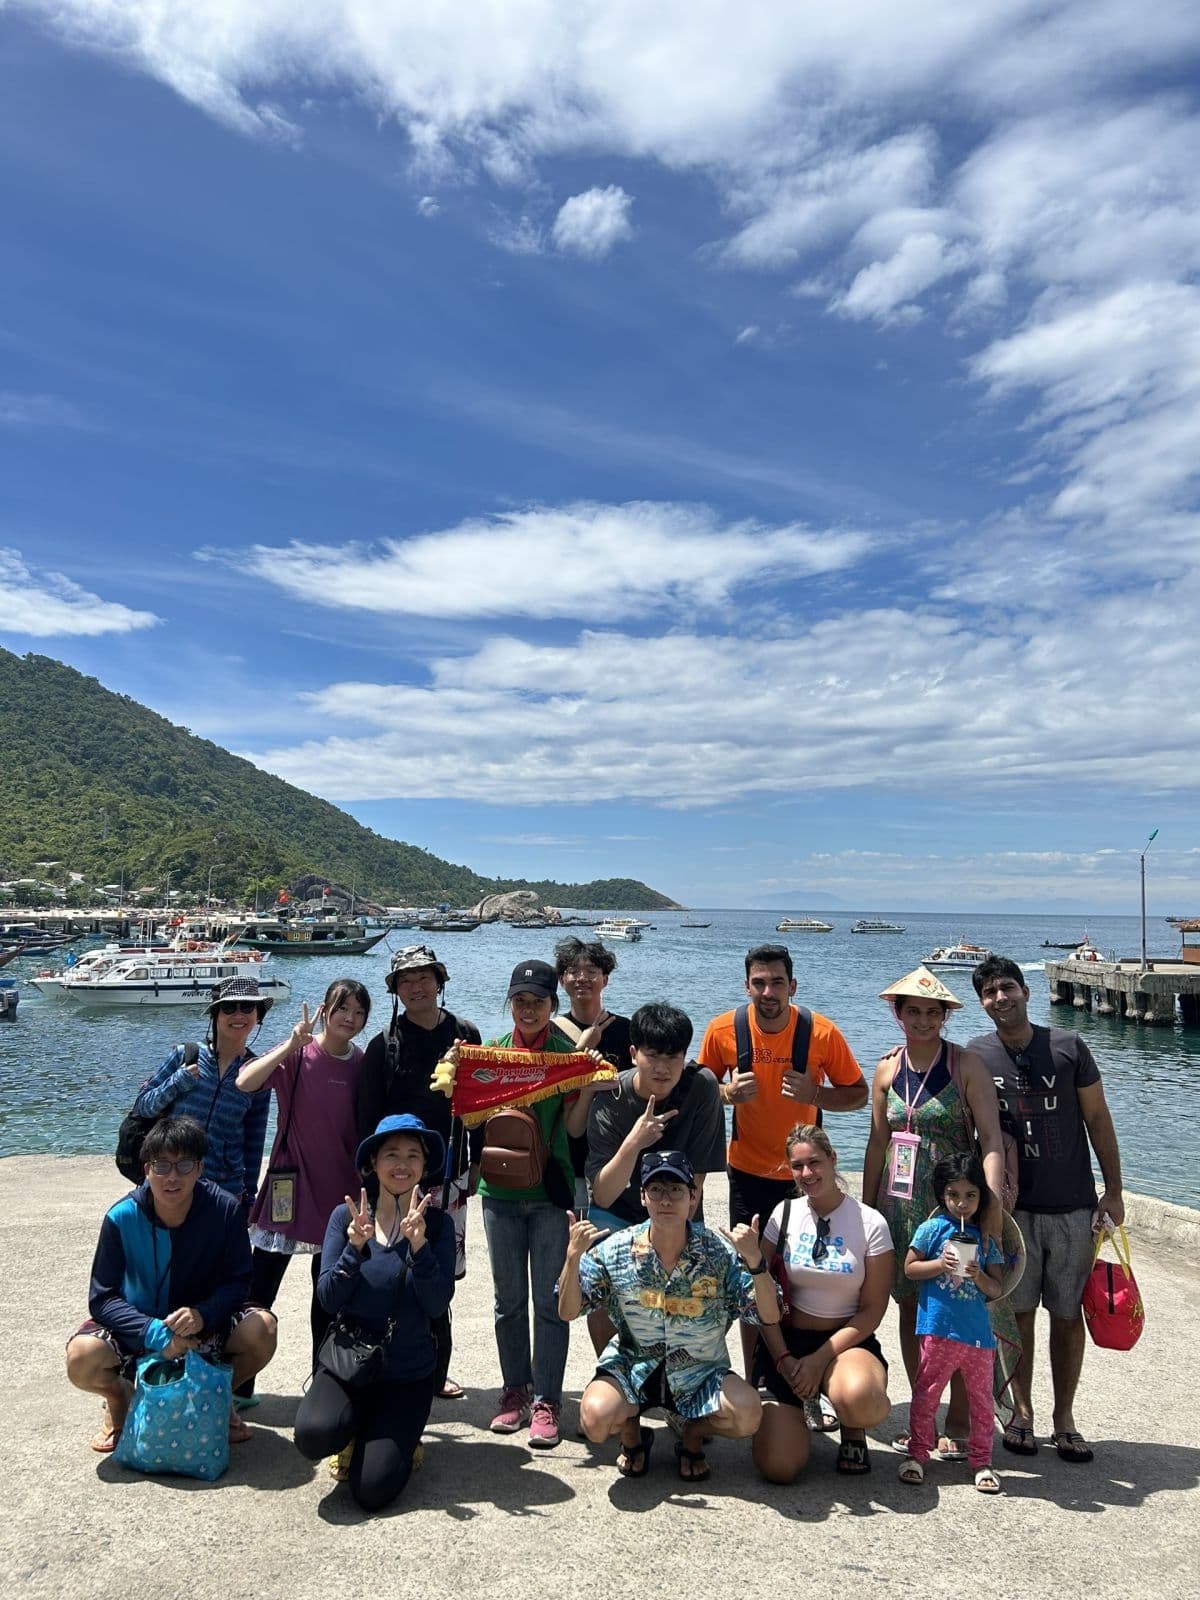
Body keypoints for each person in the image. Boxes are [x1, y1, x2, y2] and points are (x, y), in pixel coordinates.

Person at [969, 956, 1124, 1465]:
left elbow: (1098, 1119)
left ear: (1026, 992)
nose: (1000, 998)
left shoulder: (1068, 1047)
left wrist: (1114, 1191)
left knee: (1066, 1313)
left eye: (1008, 988)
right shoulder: (976, 1055)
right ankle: (1023, 1412)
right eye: (989, 992)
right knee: (1017, 1316)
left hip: (1072, 1205)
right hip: (1012, 1213)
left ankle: (1065, 1419)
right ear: (981, 1002)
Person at [698, 943, 866, 1388]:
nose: (767, 991)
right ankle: (758, 1377)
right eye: (759, 982)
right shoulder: (723, 1030)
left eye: (776, 982)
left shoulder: (822, 1033)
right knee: (751, 1275)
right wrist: (726, 1094)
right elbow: (698, 1088)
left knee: (808, 1279)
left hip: (805, 1178)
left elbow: (859, 1095)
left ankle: (815, 1376)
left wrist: (817, 1095)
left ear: (792, 986)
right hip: (748, 1173)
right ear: (746, 985)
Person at [860, 965, 1009, 1459]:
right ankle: (925, 1410)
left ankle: (962, 1417)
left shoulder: (965, 1065)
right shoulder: (886, 1069)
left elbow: (989, 1139)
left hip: (956, 1208)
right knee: (912, 1307)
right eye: (913, 1011)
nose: (922, 1020)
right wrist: (866, 1211)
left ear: (944, 1016)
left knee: (966, 1308)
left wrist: (989, 1207)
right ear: (897, 1013)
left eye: (932, 1012)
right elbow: (879, 1142)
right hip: (901, 1208)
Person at [559, 1151, 777, 1483]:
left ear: (693, 1197)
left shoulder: (717, 1253)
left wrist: (756, 1264)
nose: (666, 1199)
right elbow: (568, 1310)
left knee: (747, 1414)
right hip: (634, 1367)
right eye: (656, 1189)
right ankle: (632, 1430)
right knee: (594, 1419)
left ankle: (692, 1431)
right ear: (643, 1196)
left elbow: (769, 1314)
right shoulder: (616, 1248)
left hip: (700, 1369)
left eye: (676, 1189)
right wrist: (572, 1260)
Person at [66, 1116, 278, 1453]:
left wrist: (203, 1314)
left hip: (203, 1328)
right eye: (162, 1165)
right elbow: (102, 1298)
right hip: (140, 1327)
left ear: (200, 1168)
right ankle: (120, 1397)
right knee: (81, 1357)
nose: (172, 1177)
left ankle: (216, 1395)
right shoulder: (120, 1218)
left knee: (262, 1330)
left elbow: (240, 1281)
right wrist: (155, 1333)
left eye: (184, 1165)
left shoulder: (224, 1210)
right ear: (146, 1169)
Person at [468, 958, 600, 1449]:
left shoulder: (567, 1055)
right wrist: (457, 1078)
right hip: (497, 1193)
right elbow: (470, 1122)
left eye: (538, 1002)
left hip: (550, 1193)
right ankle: (514, 1391)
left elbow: (573, 1130)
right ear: (510, 1004)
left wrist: (582, 1085)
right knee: (507, 1303)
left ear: (553, 1005)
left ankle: (547, 1400)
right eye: (520, 1002)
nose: (528, 1010)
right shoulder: (492, 1054)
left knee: (549, 1302)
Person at [293, 1114, 456, 1512]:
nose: (402, 1164)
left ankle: (395, 1432)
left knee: (371, 1491)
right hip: (350, 1363)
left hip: (406, 1372)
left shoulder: (437, 1226)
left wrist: (420, 1249)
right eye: (391, 1155)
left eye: (413, 1155)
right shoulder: (346, 1219)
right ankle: (356, 1424)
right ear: (372, 1164)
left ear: (424, 1165)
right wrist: (354, 1249)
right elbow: (329, 1300)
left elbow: (437, 1305)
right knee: (313, 1435)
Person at [356, 946, 482, 1400]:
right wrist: (372, 1181)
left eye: (424, 978)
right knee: (391, 1269)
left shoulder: (466, 1034)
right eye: (405, 981)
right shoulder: (382, 1045)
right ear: (395, 990)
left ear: (439, 981)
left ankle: (435, 1369)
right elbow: (366, 1120)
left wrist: (476, 1168)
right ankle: (387, 1359)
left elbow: (480, 1108)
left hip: (449, 1176)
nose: (416, 987)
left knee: (438, 1274)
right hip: (394, 1180)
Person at [236, 979, 370, 1372]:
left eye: (359, 1012)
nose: (350, 1017)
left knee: (328, 1294)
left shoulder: (361, 1064)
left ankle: (323, 1379)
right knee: (259, 1289)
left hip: (339, 1190)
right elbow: (245, 1082)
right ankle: (239, 1385)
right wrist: (292, 1044)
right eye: (343, 1008)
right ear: (326, 1010)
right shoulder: (298, 1055)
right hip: (289, 1187)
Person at [583, 1001, 725, 1352]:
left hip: (678, 1209)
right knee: (602, 1297)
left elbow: (697, 1184)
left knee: (694, 1295)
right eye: (652, 1056)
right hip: (618, 1209)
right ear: (633, 1054)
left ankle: (675, 1376)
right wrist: (634, 1141)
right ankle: (618, 1380)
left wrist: (662, 1248)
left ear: (685, 1056)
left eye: (672, 1057)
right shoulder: (611, 1094)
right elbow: (602, 1194)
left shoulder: (702, 1087)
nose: (662, 1068)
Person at [753, 1125, 892, 1482]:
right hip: (787, 1343)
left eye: (814, 1162)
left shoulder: (870, 1222)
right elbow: (758, 1296)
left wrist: (819, 1360)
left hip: (846, 1342)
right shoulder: (782, 1215)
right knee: (778, 1468)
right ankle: (800, 1406)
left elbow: (873, 1310)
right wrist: (783, 1360)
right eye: (797, 1166)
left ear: (832, 1159)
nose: (807, 1174)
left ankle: (851, 1426)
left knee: (861, 1400)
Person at [899, 1153, 1006, 1493]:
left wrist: (977, 1277)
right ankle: (917, 1453)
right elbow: (910, 1269)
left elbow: (997, 1287)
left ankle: (982, 1460)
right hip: (939, 1330)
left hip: (978, 1337)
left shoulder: (985, 1235)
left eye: (971, 1195)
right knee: (927, 1393)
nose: (961, 1203)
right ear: (941, 1195)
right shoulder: (931, 1229)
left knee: (981, 1401)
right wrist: (940, 1265)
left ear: (981, 1197)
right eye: (953, 1195)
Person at [131, 975, 273, 1213]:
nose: (238, 1015)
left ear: (258, 1016)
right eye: (229, 1008)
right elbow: (144, 1106)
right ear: (215, 1015)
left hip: (225, 1187)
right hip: (171, 1178)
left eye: (247, 1007)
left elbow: (254, 1141)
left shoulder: (257, 1072)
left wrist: (249, 1194)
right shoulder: (184, 1056)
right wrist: (177, 1082)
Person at [552, 937, 631, 1214]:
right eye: (573, 971)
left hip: (616, 1154)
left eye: (592, 972)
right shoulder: (551, 1033)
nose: (582, 978)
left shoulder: (627, 1029)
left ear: (605, 980)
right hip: (569, 1156)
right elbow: (552, 1087)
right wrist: (583, 1047)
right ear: (562, 980)